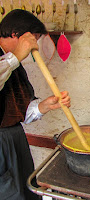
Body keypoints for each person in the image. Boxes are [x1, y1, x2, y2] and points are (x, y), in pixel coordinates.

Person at [0, 9, 71, 200]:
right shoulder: (10, 59)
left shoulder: (12, 62)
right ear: (15, 33)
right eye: (33, 39)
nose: (34, 46)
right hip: (1, 145)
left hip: (16, 138)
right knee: (10, 194)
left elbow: (20, 112)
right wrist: (15, 57)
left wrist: (44, 105)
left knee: (28, 190)